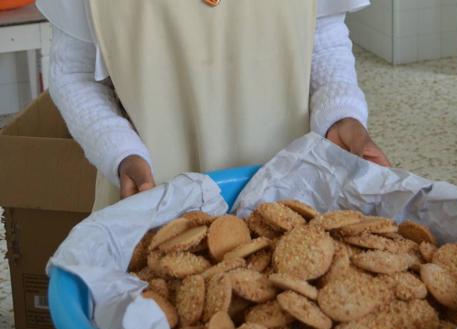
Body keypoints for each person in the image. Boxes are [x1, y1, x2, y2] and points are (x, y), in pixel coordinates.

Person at [37, 0, 390, 210]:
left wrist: (340, 115)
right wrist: (119, 152)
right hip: (155, 200)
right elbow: (74, 73)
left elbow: (324, 39)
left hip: (291, 193)